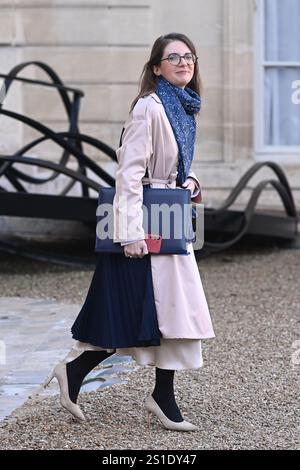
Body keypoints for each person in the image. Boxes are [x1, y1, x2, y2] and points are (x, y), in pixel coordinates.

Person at [44, 32, 215, 431]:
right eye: (173, 57)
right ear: (157, 67)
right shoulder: (149, 108)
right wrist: (130, 233)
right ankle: (82, 372)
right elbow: (129, 176)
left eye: (189, 57)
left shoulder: (184, 109)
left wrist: (189, 182)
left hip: (169, 219)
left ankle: (158, 395)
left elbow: (171, 167)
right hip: (145, 224)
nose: (184, 63)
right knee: (143, 311)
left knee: (174, 313)